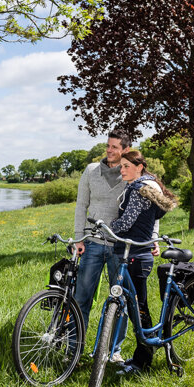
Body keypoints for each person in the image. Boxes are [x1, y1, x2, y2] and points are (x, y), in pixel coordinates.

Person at [110, 150, 178, 374]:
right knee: (135, 306)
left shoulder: (140, 189)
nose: (122, 171)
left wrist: (108, 227)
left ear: (140, 167)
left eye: (126, 166)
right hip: (136, 252)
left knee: (138, 308)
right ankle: (142, 355)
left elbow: (128, 220)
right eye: (121, 166)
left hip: (136, 254)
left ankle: (143, 361)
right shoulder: (146, 187)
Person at [73, 129, 132, 363]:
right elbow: (81, 205)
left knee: (121, 299)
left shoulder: (132, 173)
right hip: (93, 243)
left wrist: (153, 236)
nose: (109, 150)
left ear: (125, 150)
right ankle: (73, 347)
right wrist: (79, 237)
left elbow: (150, 204)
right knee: (81, 298)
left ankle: (113, 350)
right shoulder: (90, 171)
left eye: (115, 147)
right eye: (108, 146)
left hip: (121, 247)